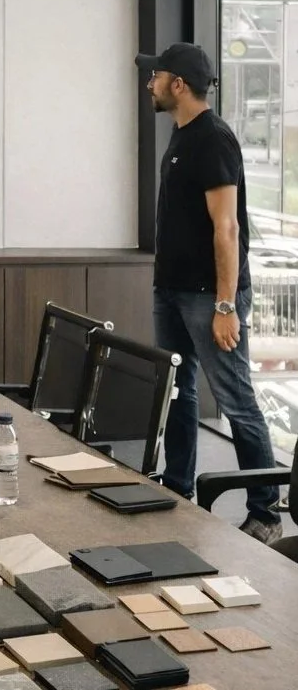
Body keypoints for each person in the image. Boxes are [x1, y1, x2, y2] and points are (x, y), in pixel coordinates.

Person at [135, 42, 283, 543]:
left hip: (208, 296)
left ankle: (265, 511)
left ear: (178, 84)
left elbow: (227, 230)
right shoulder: (181, 137)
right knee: (178, 392)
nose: (149, 83)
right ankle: (179, 490)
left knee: (236, 398)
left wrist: (225, 305)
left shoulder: (213, 140)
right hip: (173, 291)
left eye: (155, 76)